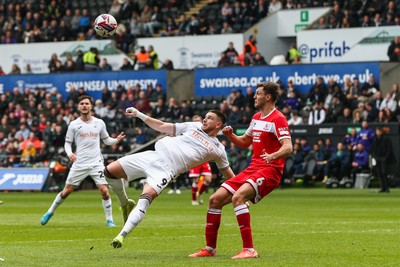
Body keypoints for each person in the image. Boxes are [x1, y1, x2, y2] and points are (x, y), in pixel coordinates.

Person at [189, 82, 292, 259]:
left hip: (270, 170)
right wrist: (231, 136)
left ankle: (250, 250)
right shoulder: (256, 117)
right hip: (253, 168)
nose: (254, 96)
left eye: (258, 93)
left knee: (239, 197)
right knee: (215, 199)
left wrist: (273, 156)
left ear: (268, 97)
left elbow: (288, 147)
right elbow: (245, 142)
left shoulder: (278, 118)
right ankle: (210, 249)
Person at [106, 107, 234, 248]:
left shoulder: (218, 149)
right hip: (152, 156)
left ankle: (121, 236)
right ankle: (125, 204)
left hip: (166, 170)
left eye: (210, 118)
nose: (205, 119)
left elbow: (228, 173)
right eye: (205, 116)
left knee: (145, 199)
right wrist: (139, 114)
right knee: (109, 172)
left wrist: (240, 192)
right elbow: (161, 126)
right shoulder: (194, 126)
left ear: (218, 124)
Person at [40, 95, 127, 227]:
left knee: (104, 190)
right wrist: (69, 153)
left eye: (87, 103)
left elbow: (107, 140)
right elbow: (67, 143)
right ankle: (50, 212)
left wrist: (116, 140)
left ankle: (109, 220)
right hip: (80, 163)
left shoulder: (99, 123)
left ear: (91, 106)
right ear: (78, 107)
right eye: (82, 103)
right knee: (66, 191)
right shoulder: (74, 125)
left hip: (96, 162)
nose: (85, 105)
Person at [189, 115, 213, 205]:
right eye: (195, 120)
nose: (197, 122)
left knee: (208, 180)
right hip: (195, 159)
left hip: (204, 159)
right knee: (195, 180)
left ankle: (199, 194)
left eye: (198, 120)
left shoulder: (206, 131)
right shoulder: (190, 132)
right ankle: (194, 199)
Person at [371, 127, 395, 193]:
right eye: (376, 131)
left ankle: (387, 188)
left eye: (378, 131)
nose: (377, 132)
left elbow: (389, 149)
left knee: (384, 173)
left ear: (381, 132)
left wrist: (385, 157)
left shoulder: (386, 139)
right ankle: (382, 188)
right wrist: (374, 156)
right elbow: (374, 149)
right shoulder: (375, 139)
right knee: (379, 173)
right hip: (377, 158)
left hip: (384, 158)